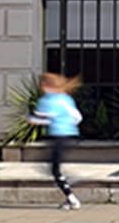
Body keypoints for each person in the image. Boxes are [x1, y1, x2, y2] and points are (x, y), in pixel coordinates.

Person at [26, 72, 83, 210]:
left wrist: (31, 119)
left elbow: (43, 118)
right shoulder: (66, 98)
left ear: (46, 86)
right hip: (70, 135)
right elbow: (78, 117)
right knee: (54, 168)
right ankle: (69, 185)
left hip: (58, 135)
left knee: (54, 170)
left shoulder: (48, 100)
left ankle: (72, 199)